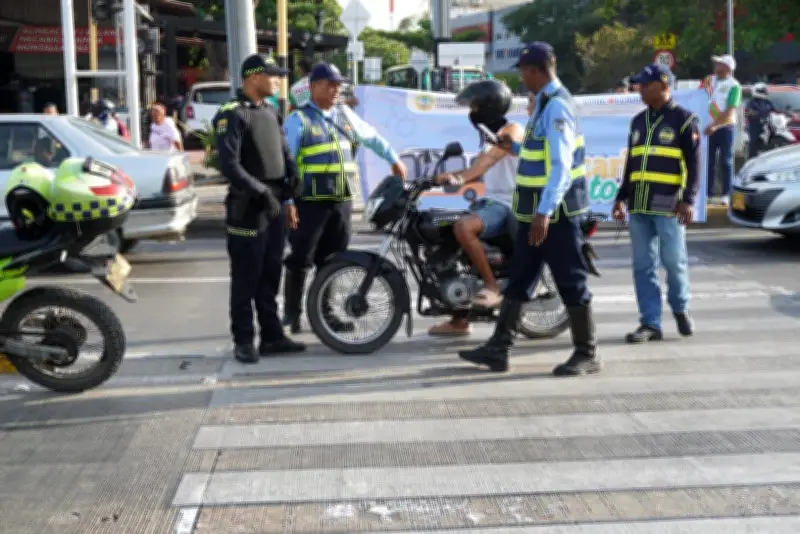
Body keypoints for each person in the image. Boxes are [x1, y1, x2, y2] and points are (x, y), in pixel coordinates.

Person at [457, 42, 600, 376]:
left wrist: (544, 213)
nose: (521, 78)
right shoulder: (543, 105)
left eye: (523, 71)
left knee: (570, 281)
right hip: (533, 213)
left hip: (556, 215)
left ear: (536, 71)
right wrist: (515, 146)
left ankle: (587, 352)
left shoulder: (557, 107)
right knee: (520, 278)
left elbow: (561, 167)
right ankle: (498, 349)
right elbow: (538, 150)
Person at [281, 62, 406, 334]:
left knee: (334, 260)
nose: (336, 89)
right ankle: (292, 314)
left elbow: (371, 137)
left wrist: (393, 159)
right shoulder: (298, 120)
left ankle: (326, 315)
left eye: (338, 85)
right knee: (301, 257)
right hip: (309, 203)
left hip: (340, 202)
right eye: (329, 84)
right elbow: (285, 164)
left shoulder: (345, 115)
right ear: (313, 87)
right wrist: (287, 202)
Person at [213, 53, 306, 363]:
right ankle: (243, 339)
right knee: (246, 277)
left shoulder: (271, 111)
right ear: (253, 77)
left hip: (275, 203)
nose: (278, 80)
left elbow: (283, 149)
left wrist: (293, 177)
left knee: (271, 273)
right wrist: (260, 190)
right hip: (248, 208)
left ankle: (272, 336)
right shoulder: (233, 114)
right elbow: (230, 165)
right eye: (273, 75)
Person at [612, 63, 700, 344]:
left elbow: (694, 165)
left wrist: (688, 200)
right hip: (638, 204)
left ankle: (680, 306)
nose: (639, 89)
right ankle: (650, 323)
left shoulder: (685, 120)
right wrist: (620, 198)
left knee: (673, 262)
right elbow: (631, 164)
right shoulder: (637, 121)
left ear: (663, 86)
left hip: (669, 204)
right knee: (643, 266)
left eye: (644, 84)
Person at [428, 80, 523, 336]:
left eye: (475, 105)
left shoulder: (512, 130)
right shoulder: (487, 138)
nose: (471, 111)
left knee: (463, 227)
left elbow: (484, 165)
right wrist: (438, 178)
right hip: (488, 201)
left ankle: (492, 286)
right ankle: (459, 318)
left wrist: (462, 178)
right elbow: (478, 168)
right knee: (443, 236)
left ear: (489, 107)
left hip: (506, 203)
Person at [702, 54, 741, 205]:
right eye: (716, 63)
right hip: (708, 127)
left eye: (719, 64)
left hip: (725, 127)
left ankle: (726, 194)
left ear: (727, 68)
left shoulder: (734, 85)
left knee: (725, 161)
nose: (716, 66)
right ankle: (707, 194)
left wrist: (715, 125)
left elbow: (730, 110)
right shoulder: (708, 80)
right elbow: (697, 96)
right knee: (708, 161)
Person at [744, 82, 775, 159]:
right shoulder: (751, 102)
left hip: (767, 124)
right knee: (753, 143)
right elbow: (748, 112)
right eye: (762, 91)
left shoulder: (767, 101)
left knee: (772, 140)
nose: (764, 92)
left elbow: (774, 109)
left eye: (764, 90)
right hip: (755, 125)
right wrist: (755, 114)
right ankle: (751, 160)